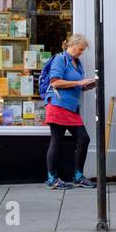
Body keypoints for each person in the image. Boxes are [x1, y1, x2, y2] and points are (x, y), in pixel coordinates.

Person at [44, 33, 97, 189]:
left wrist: (88, 85)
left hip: (71, 108)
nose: (81, 53)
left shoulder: (77, 62)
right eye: (80, 49)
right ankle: (52, 178)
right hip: (58, 106)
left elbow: (76, 85)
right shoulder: (61, 59)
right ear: (71, 45)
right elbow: (55, 82)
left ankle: (78, 176)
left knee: (84, 140)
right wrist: (79, 81)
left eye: (82, 51)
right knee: (56, 141)